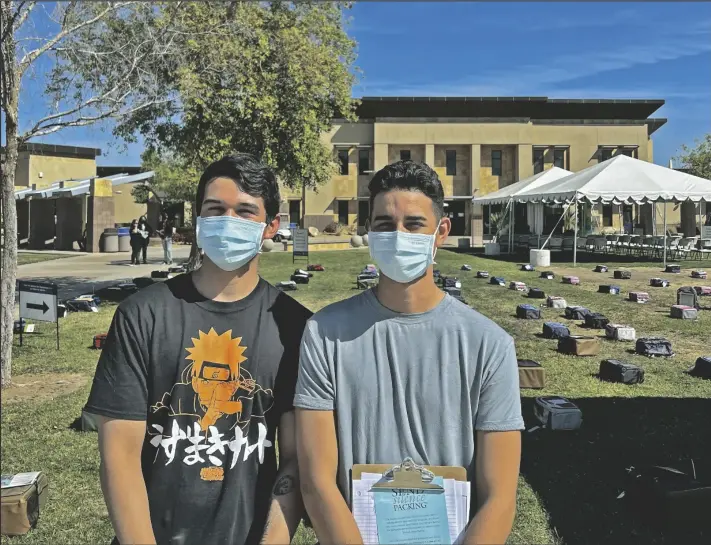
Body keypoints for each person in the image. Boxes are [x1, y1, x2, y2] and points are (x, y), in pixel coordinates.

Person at [85, 153, 312, 545]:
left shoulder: (295, 326)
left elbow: (293, 460)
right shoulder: (141, 316)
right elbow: (119, 458)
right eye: (216, 209)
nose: (229, 221)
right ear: (199, 220)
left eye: (245, 211)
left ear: (271, 226)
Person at [295, 160, 524, 545]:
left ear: (441, 232)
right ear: (370, 233)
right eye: (384, 225)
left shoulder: (490, 344)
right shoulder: (324, 334)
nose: (398, 235)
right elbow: (317, 482)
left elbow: (500, 498)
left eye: (414, 224)